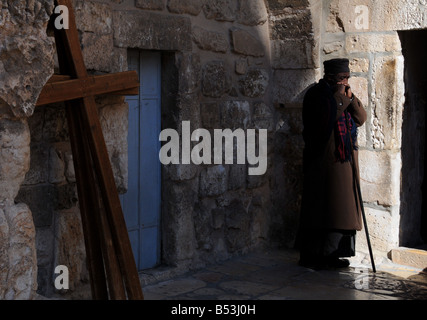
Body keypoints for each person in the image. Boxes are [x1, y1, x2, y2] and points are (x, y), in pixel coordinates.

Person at [297, 58, 367, 269]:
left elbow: (361, 118)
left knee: (342, 213)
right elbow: (320, 126)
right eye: (341, 78)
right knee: (324, 211)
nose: (345, 82)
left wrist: (351, 98)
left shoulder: (345, 96)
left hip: (344, 162)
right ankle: (316, 256)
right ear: (330, 78)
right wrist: (340, 99)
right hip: (324, 165)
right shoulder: (317, 95)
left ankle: (335, 254)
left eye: (347, 78)